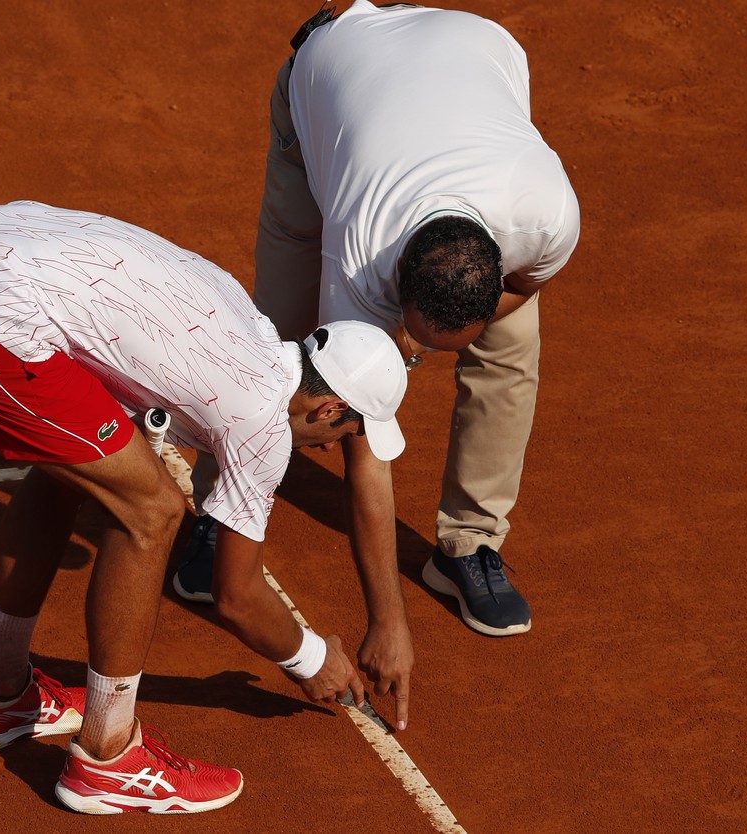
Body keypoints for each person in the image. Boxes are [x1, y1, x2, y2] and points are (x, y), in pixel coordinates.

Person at [0, 200, 409, 814]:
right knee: (152, 512)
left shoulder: (244, 321)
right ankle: (107, 758)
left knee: (76, 475)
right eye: (346, 435)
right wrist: (312, 659)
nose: (332, 448)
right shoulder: (265, 421)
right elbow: (236, 597)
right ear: (326, 410)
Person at [176, 1, 580, 641]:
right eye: (411, 331)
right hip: (329, 75)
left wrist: (411, 343)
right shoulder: (360, 254)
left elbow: (522, 291)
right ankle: (217, 506)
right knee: (276, 338)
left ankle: (469, 543)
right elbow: (360, 443)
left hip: (470, 54)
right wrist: (387, 621)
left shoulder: (548, 217)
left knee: (510, 352)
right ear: (394, 286)